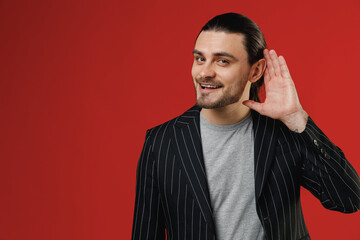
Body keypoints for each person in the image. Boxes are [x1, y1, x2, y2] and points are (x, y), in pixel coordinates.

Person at [131, 13, 360, 240]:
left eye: (222, 61)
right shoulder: (161, 142)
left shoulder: (284, 133)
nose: (204, 72)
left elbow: (349, 199)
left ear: (256, 71)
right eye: (200, 58)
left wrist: (296, 117)